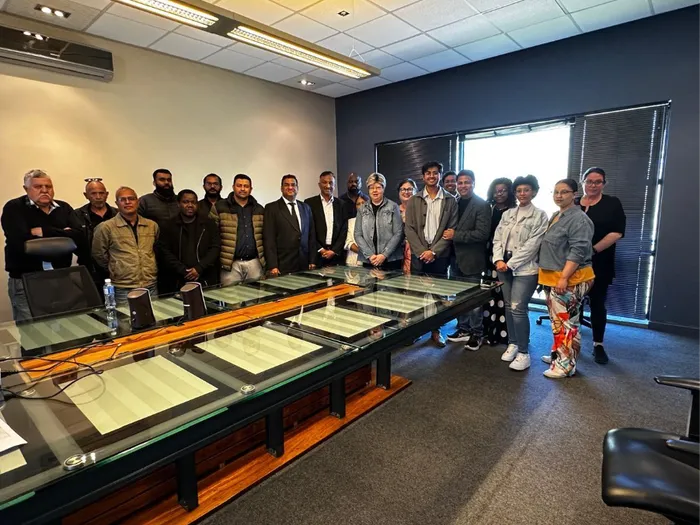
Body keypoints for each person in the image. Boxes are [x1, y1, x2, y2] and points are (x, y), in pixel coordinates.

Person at [1, 170, 80, 321]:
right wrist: (63, 236)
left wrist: (43, 231)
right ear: (26, 189)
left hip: (61, 277)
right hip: (26, 279)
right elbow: (20, 243)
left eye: (48, 186)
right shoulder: (14, 208)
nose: (44, 190)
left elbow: (79, 236)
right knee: (31, 329)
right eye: (38, 187)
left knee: (65, 325)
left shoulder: (64, 208)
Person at [539, 179, 595, 379]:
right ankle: (559, 355)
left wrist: (564, 277)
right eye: (556, 192)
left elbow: (578, 251)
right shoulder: (557, 215)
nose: (559, 195)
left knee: (567, 324)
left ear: (574, 194)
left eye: (564, 192)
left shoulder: (579, 219)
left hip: (569, 279)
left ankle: (565, 365)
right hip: (552, 277)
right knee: (558, 323)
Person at [492, 175, 548, 371]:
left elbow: (533, 245)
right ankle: (513, 343)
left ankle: (524, 352)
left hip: (525, 268)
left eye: (526, 190)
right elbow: (497, 239)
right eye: (519, 190)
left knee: (518, 308)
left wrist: (510, 264)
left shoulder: (540, 215)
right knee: (508, 306)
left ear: (534, 192)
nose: (522, 193)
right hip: (503, 265)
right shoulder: (508, 214)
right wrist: (498, 260)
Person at [404, 161, 458, 347]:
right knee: (416, 295)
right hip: (419, 254)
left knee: (438, 296)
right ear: (423, 176)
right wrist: (422, 252)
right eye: (428, 173)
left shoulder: (450, 200)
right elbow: (409, 229)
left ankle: (436, 331)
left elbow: (451, 229)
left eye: (435, 173)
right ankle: (417, 330)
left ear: (440, 175)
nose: (432, 176)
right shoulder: (414, 200)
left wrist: (433, 251)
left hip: (440, 255)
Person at [578, 167, 626, 365]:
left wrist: (593, 250)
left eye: (598, 182)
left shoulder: (612, 203)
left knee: (597, 303)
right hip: (574, 262)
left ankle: (598, 344)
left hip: (600, 261)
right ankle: (570, 342)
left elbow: (617, 232)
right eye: (589, 181)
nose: (593, 185)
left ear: (604, 184)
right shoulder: (574, 203)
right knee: (572, 303)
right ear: (583, 182)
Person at [444, 170, 490, 350]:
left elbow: (482, 234)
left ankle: (477, 333)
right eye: (460, 182)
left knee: (473, 300)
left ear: (473, 183)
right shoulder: (454, 202)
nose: (463, 185)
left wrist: (456, 235)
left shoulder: (482, 205)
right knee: (459, 297)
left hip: (472, 259)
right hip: (454, 259)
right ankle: (463, 329)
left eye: (467, 182)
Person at [92, 186, 159, 303]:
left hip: (150, 284)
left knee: (155, 314)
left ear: (137, 201)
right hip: (123, 288)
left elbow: (156, 249)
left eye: (131, 198)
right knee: (125, 315)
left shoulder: (151, 225)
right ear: (116, 203)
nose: (127, 202)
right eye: (123, 199)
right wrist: (117, 268)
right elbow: (99, 255)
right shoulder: (106, 227)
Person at [157, 189, 221, 293]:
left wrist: (199, 268)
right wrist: (183, 270)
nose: (190, 205)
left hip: (205, 276)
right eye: (185, 202)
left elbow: (215, 247)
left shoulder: (208, 224)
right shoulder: (168, 226)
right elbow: (164, 251)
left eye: (193, 202)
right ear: (178, 204)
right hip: (177, 279)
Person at [210, 174, 265, 285]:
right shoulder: (220, 207)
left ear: (251, 189)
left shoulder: (259, 209)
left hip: (254, 262)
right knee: (230, 295)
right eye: (239, 185)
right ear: (233, 187)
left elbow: (265, 235)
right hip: (230, 264)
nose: (243, 189)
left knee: (256, 295)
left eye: (246, 186)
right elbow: (210, 235)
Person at [482, 178, 516, 345]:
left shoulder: (514, 211)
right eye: (496, 191)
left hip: (506, 258)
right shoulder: (489, 208)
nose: (499, 194)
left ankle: (504, 333)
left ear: (509, 192)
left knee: (504, 294)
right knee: (489, 293)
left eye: (503, 191)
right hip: (489, 255)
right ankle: (488, 329)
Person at [69, 179, 118, 296]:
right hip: (90, 268)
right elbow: (75, 241)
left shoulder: (117, 214)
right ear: (86, 195)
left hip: (116, 267)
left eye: (101, 193)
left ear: (107, 194)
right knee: (94, 301)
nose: (98, 197)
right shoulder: (77, 215)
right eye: (93, 193)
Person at [264, 174, 317, 275]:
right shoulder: (272, 208)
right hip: (282, 264)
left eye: (293, 185)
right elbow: (269, 239)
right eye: (286, 185)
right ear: (281, 188)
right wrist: (273, 265)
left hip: (304, 263)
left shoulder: (306, 208)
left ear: (297, 188)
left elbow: (311, 236)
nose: (290, 187)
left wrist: (312, 260)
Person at [354, 173, 404, 271]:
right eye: (371, 188)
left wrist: (384, 255)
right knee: (368, 281)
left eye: (378, 187)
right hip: (368, 259)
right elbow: (357, 234)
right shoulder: (362, 209)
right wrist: (370, 255)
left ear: (383, 188)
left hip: (391, 259)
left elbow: (398, 233)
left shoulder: (393, 206)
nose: (375, 190)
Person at [305, 171, 348, 267]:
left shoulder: (342, 204)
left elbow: (344, 230)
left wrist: (334, 251)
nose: (328, 186)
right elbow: (309, 230)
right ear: (319, 185)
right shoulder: (309, 203)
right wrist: (321, 249)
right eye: (324, 182)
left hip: (337, 256)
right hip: (316, 255)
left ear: (334, 185)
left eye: (331, 183)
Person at [397, 178, 418, 274]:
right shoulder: (394, 210)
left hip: (415, 250)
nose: (406, 192)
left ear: (415, 191)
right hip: (397, 251)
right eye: (403, 189)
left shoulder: (420, 209)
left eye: (409, 189)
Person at [344, 196, 366, 267]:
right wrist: (364, 254)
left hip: (371, 262)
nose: (361, 205)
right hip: (352, 261)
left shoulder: (375, 221)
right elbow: (348, 242)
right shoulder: (350, 222)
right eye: (358, 204)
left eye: (363, 203)